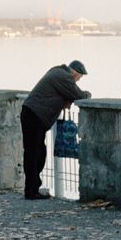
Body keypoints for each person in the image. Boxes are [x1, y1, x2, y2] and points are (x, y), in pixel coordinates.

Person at [20, 60, 88, 199]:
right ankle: (31, 191)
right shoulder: (64, 77)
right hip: (35, 116)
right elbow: (78, 95)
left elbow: (64, 93)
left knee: (36, 152)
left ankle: (32, 188)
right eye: (80, 77)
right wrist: (88, 94)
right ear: (75, 73)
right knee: (34, 154)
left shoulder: (57, 72)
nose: (78, 80)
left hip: (31, 114)